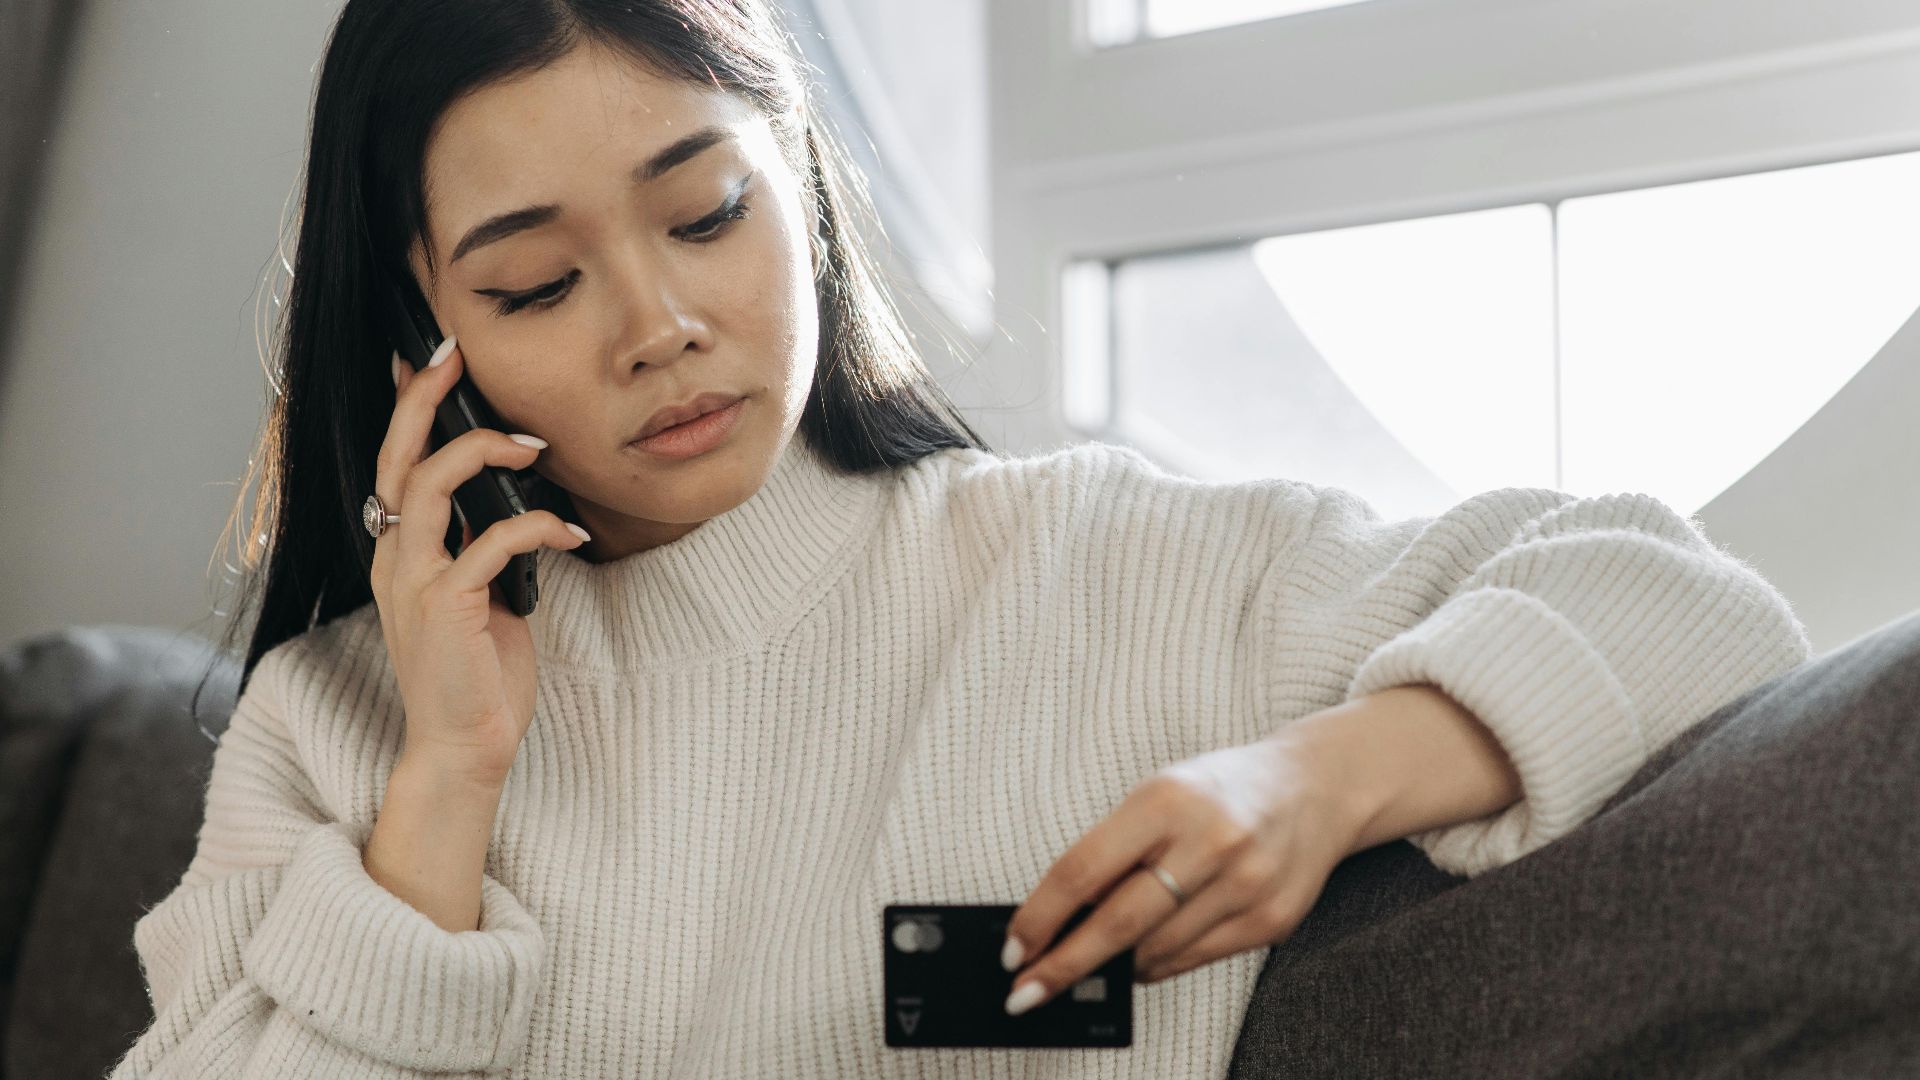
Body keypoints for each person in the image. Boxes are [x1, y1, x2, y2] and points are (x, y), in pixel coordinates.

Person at [108, 2, 1817, 1077]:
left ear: (805, 179)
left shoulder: (1095, 572)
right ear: (426, 325)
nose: (658, 323)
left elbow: (1687, 607)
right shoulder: (340, 731)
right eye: (536, 283)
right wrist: (447, 796)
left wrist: (1318, 783)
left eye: (707, 214)